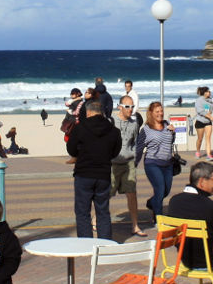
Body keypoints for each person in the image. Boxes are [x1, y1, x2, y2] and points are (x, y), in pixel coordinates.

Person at [66, 100, 122, 239]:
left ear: (88, 112)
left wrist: (80, 152)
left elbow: (71, 149)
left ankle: (86, 243)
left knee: (83, 212)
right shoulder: (113, 130)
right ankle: (104, 243)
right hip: (103, 174)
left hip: (84, 173)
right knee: (102, 211)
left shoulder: (79, 128)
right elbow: (115, 152)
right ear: (102, 112)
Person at [135, 101, 176, 223]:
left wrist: (173, 133)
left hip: (168, 164)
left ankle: (151, 203)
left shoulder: (167, 124)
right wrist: (134, 165)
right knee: (160, 188)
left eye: (161, 111)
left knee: (166, 191)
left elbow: (170, 142)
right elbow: (139, 148)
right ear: (151, 113)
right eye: (157, 111)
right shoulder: (146, 129)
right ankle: (159, 219)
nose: (160, 113)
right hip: (152, 163)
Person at [111, 95, 146, 236]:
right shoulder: (111, 121)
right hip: (112, 163)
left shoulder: (135, 122)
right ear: (119, 106)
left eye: (132, 106)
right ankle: (96, 219)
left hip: (129, 163)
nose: (130, 109)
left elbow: (135, 142)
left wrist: (134, 157)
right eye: (127, 106)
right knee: (107, 192)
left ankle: (135, 225)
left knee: (132, 193)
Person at [194, 86, 213, 160]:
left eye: (209, 91)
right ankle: (197, 151)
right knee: (200, 139)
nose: (209, 93)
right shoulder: (199, 100)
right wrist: (210, 117)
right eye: (208, 91)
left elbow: (209, 109)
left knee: (208, 138)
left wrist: (209, 113)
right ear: (204, 93)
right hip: (200, 121)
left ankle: (208, 155)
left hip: (208, 122)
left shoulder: (209, 100)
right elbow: (200, 111)